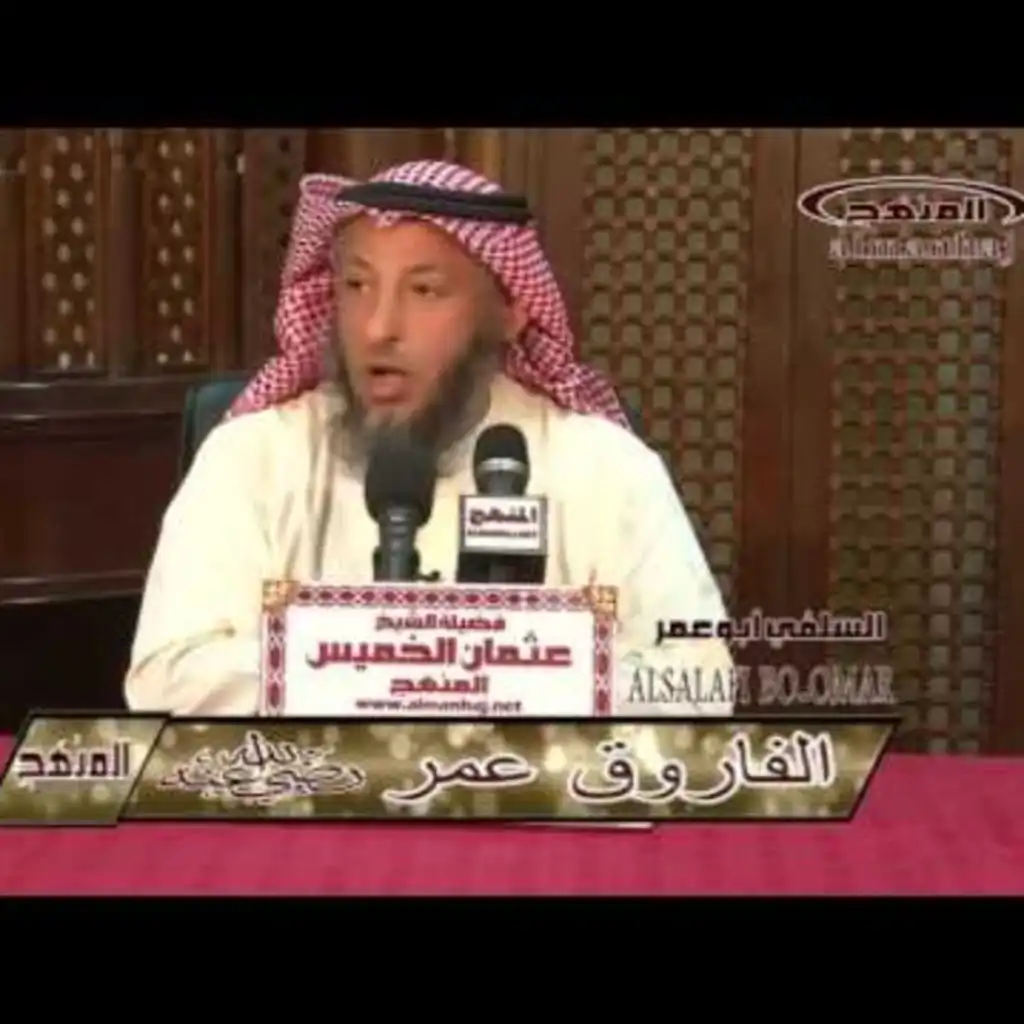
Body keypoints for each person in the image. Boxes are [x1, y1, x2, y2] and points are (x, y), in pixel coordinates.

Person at [124, 160, 734, 716]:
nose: (378, 328)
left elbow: (700, 684)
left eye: (424, 291)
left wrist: (471, 673)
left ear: (511, 308)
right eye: (357, 286)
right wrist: (403, 669)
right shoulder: (252, 457)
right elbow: (165, 678)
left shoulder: (606, 466)